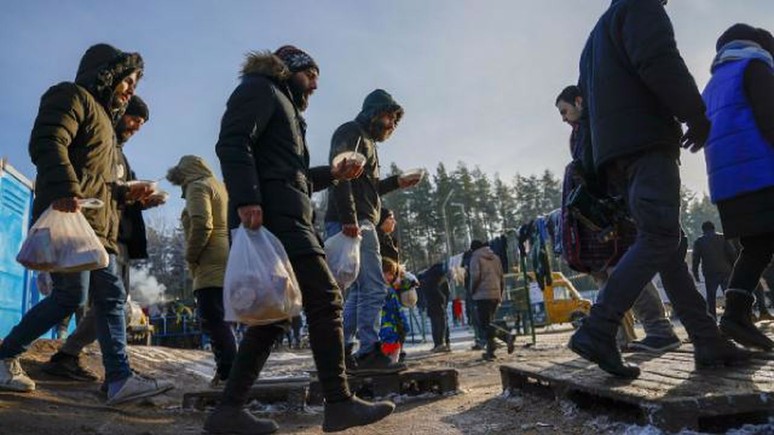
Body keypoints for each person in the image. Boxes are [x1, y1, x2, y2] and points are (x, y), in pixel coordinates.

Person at [207, 45, 395, 434]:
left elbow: (294, 177)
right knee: (325, 298)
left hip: (287, 213)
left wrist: (334, 174)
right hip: (275, 217)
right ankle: (339, 403)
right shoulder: (261, 89)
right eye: (310, 74)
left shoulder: (286, 108)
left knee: (277, 317)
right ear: (289, 68)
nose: (314, 85)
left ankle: (228, 410)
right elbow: (231, 142)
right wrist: (246, 199)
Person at [569, 0, 750, 379]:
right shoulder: (640, 7)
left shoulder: (595, 37)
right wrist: (695, 114)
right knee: (661, 237)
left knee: (668, 247)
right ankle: (599, 329)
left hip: (616, 155)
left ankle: (706, 338)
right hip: (646, 143)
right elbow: (659, 59)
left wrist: (595, 166)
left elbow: (588, 114)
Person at [0, 44, 173, 404]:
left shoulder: (108, 127)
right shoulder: (71, 95)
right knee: (87, 297)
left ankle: (115, 379)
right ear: (107, 73)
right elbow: (48, 141)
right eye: (128, 80)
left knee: (85, 297)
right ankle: (117, 378)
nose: (130, 90)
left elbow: (98, 182)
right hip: (73, 218)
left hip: (95, 224)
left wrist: (127, 195)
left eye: (135, 84)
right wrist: (65, 187)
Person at [42, 95, 164, 383]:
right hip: (95, 234)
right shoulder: (98, 146)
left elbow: (117, 197)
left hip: (115, 236)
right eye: (135, 118)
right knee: (90, 299)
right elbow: (96, 190)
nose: (136, 126)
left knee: (109, 302)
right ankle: (111, 373)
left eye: (141, 124)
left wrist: (141, 200)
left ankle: (75, 358)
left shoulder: (119, 155)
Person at [555, 85, 681, 353]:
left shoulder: (599, 125)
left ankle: (659, 329)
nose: (563, 118)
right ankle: (618, 339)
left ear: (579, 102)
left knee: (624, 271)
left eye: (565, 111)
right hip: (591, 219)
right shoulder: (579, 134)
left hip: (613, 213)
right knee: (605, 276)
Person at [324, 89, 421, 374]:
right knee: (374, 286)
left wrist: (396, 182)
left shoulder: (367, 142)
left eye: (395, 120)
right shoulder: (351, 132)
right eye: (389, 116)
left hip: (357, 220)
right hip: (354, 222)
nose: (392, 124)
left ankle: (344, 351)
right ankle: (369, 352)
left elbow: (368, 188)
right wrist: (349, 218)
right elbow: (340, 175)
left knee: (357, 291)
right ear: (374, 112)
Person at [701, 23, 774, 351]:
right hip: (763, 174)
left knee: (758, 245)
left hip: (729, 183)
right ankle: (735, 314)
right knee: (761, 244)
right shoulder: (754, 67)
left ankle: (735, 314)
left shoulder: (713, 84)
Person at [166, 155, 237, 387]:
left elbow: (202, 223)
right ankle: (227, 371)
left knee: (214, 320)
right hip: (225, 255)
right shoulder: (218, 186)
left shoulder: (198, 187)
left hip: (209, 260)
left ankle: (229, 373)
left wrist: (191, 255)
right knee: (221, 319)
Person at [469, 240, 513, 361]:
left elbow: (475, 277)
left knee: (485, 324)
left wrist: (472, 291)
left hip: (482, 295)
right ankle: (490, 352)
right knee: (490, 322)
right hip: (495, 294)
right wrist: (500, 293)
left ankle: (506, 336)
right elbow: (501, 277)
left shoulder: (475, 258)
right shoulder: (495, 257)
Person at [691, 221, 737, 319]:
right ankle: (732, 315)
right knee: (729, 295)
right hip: (726, 271)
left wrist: (696, 274)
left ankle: (712, 318)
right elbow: (732, 254)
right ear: (714, 228)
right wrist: (735, 269)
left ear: (703, 230)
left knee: (711, 297)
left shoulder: (699, 241)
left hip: (710, 273)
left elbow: (695, 260)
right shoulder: (723, 237)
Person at [419, 262, 452, 353]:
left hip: (431, 304)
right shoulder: (441, 275)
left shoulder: (426, 277)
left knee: (436, 323)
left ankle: (438, 344)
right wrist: (444, 300)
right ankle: (444, 343)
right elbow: (447, 291)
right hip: (439, 303)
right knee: (442, 323)